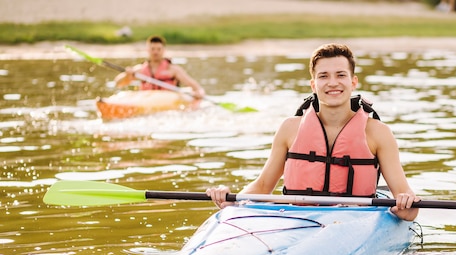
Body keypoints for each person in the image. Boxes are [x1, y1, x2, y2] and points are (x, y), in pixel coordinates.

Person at [207, 43, 419, 222]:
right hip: (299, 219)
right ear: (313, 84)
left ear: (353, 82)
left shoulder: (378, 133)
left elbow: (407, 203)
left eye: (341, 75)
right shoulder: (290, 128)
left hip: (355, 221)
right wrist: (233, 199)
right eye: (324, 76)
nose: (332, 82)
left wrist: (405, 205)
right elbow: (263, 186)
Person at [114, 35, 205, 99]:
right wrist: (127, 75)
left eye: (158, 49)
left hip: (168, 101)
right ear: (148, 50)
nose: (155, 52)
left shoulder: (173, 70)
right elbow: (118, 83)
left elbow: (196, 87)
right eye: (153, 49)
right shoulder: (140, 69)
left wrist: (198, 94)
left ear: (163, 50)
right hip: (146, 100)